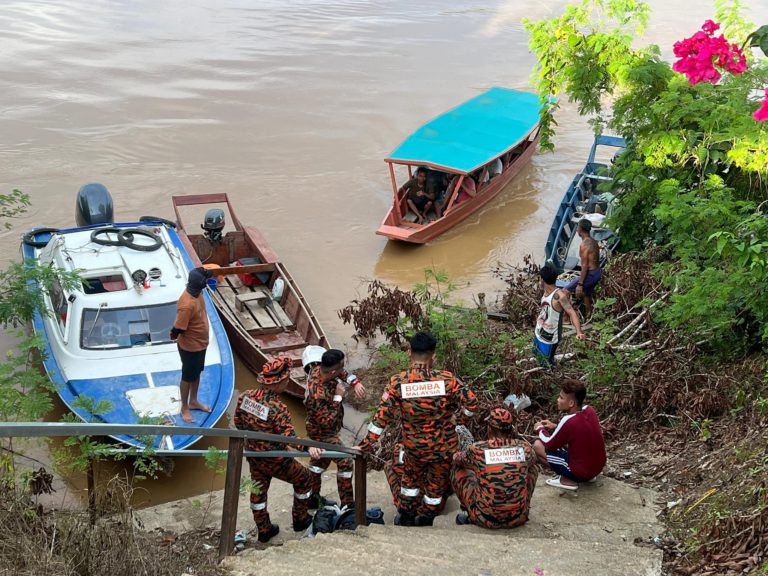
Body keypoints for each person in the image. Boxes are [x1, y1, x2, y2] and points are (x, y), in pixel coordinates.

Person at [356, 331, 478, 527]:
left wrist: (365, 444)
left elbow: (381, 419)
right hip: (443, 447)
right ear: (433, 355)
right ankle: (427, 518)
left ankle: (405, 516)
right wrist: (458, 419)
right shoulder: (447, 380)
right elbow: (472, 404)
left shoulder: (398, 382)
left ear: (409, 353)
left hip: (414, 448)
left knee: (410, 483)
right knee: (436, 485)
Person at [234, 356, 318, 543]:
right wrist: (309, 446)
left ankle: (264, 529)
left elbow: (238, 424)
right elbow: (288, 438)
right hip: (276, 459)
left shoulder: (244, 397)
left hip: (254, 456)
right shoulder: (278, 408)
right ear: (279, 382)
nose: (287, 383)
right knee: (304, 479)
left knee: (258, 491)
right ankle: (300, 519)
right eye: (286, 380)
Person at [452, 407, 538, 529]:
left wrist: (479, 466)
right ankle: (523, 507)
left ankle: (469, 511)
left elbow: (457, 459)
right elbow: (533, 461)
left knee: (457, 469)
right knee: (533, 469)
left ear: (489, 428)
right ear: (511, 429)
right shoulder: (525, 448)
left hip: (484, 519)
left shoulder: (478, 449)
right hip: (517, 518)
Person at [303, 349, 366, 509]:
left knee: (318, 464)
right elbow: (326, 422)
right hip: (323, 432)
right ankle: (348, 505)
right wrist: (338, 397)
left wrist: (355, 382)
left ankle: (312, 499)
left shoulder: (321, 369)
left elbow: (343, 372)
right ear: (332, 372)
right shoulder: (315, 393)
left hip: (329, 428)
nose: (343, 370)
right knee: (345, 462)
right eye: (340, 367)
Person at [532, 379, 606, 491]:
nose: (558, 400)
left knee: (537, 445)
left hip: (581, 472)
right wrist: (555, 426)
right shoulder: (590, 410)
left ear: (571, 403)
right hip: (597, 468)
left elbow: (548, 444)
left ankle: (568, 479)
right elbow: (578, 432)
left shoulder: (568, 420)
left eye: (561, 398)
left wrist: (540, 429)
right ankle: (584, 476)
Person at [170, 267, 214, 423]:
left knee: (197, 373)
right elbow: (178, 329)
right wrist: (173, 335)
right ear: (201, 284)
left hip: (201, 344)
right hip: (190, 347)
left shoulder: (199, 292)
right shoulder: (187, 305)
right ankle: (184, 407)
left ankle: (194, 401)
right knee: (188, 377)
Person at [534, 263, 585, 367]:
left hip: (549, 337)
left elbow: (571, 312)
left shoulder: (559, 296)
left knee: (546, 363)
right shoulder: (546, 290)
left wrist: (579, 332)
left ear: (542, 279)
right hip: (539, 330)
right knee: (537, 355)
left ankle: (549, 375)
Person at [565, 218, 602, 316]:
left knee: (565, 291)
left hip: (591, 274)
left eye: (577, 227)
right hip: (597, 272)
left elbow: (584, 266)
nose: (576, 229)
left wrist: (580, 284)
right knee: (586, 294)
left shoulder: (584, 245)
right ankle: (589, 316)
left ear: (581, 229)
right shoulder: (594, 241)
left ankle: (566, 318)